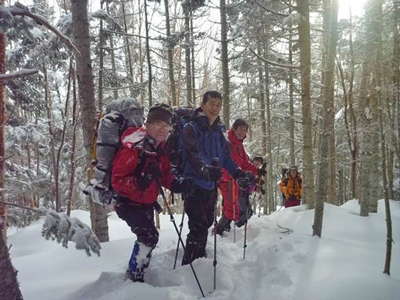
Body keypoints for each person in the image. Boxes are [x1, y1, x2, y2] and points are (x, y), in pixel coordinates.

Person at [111, 103, 187, 282]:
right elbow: (117, 180)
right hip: (127, 202)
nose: (163, 129)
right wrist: (139, 181)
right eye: (158, 124)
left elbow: (166, 174)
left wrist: (179, 184)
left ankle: (139, 270)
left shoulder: (161, 148)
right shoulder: (134, 146)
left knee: (149, 237)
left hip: (145, 202)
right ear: (149, 124)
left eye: (166, 125)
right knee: (149, 236)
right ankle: (134, 275)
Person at [180, 91, 252, 265]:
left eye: (218, 105)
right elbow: (192, 154)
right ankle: (190, 265)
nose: (215, 108)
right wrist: (204, 169)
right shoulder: (191, 127)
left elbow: (226, 157)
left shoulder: (218, 131)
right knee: (197, 226)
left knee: (205, 224)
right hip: (193, 184)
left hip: (210, 185)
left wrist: (238, 173)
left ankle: (199, 260)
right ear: (203, 105)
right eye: (212, 104)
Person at [214, 119, 259, 235]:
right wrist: (232, 176)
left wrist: (256, 171)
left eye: (244, 130)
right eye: (240, 129)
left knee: (237, 207)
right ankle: (220, 231)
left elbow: (244, 163)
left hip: (236, 178)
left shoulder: (239, 144)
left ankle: (226, 229)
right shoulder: (227, 141)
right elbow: (224, 162)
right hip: (226, 179)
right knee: (231, 207)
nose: (242, 132)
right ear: (234, 128)